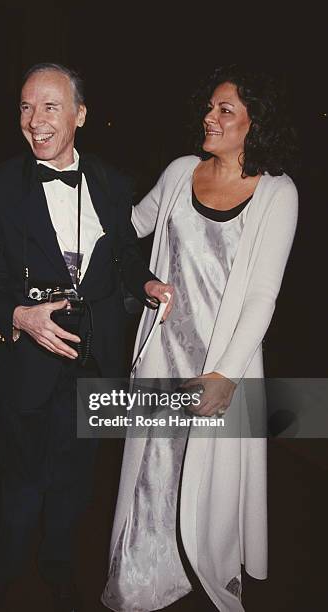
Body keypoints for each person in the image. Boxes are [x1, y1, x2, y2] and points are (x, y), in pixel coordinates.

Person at [0, 62, 170, 611]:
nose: (34, 121)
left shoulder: (112, 180)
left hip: (95, 359)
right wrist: (18, 316)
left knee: (75, 482)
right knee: (20, 481)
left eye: (49, 107)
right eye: (25, 107)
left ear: (80, 114)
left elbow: (126, 255)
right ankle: (3, 572)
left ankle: (57, 567)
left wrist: (146, 279)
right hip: (26, 361)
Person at [102, 65, 298, 612]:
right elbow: (127, 228)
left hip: (220, 362)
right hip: (163, 353)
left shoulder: (278, 193)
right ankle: (145, 576)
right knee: (153, 472)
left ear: (254, 126)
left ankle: (205, 569)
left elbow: (263, 296)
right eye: (209, 107)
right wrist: (80, 192)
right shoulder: (179, 172)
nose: (208, 117)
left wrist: (226, 375)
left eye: (224, 110)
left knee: (210, 482)